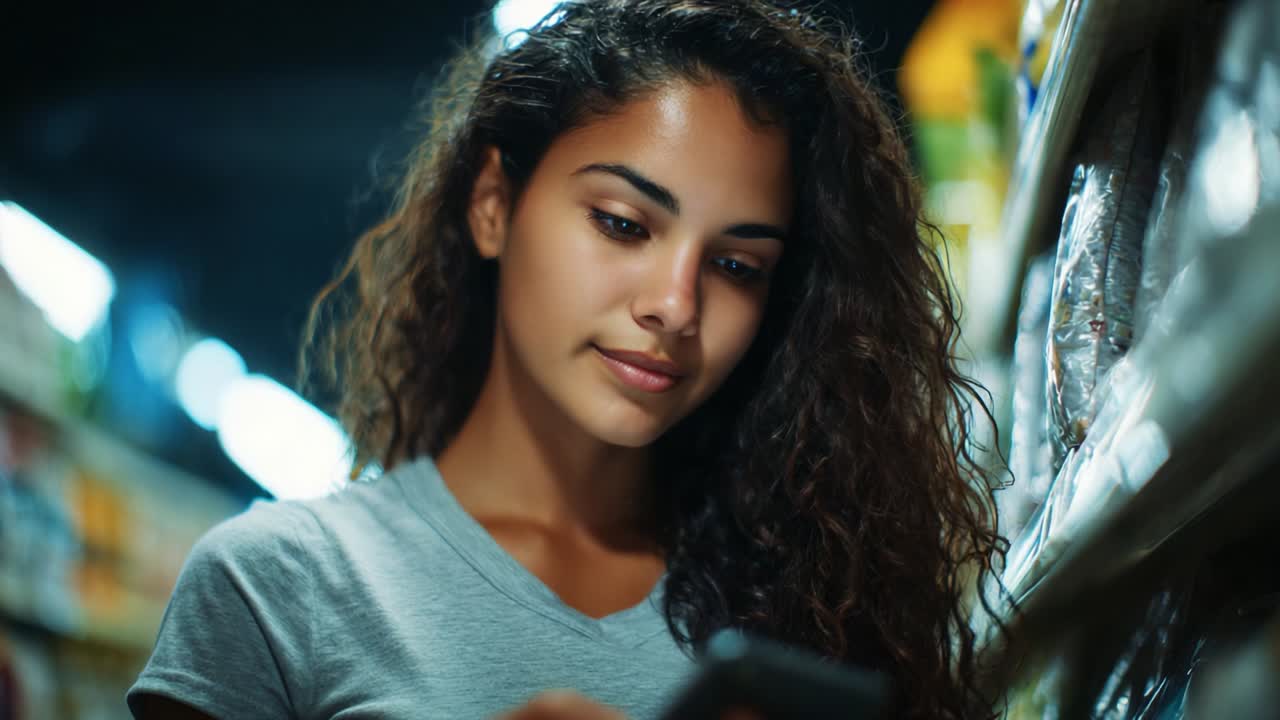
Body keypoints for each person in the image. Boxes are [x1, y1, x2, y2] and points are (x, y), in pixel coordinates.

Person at [127, 1, 1007, 718]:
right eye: (624, 224)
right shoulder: (275, 589)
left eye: (738, 266)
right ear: (492, 204)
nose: (675, 302)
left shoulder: (818, 615)